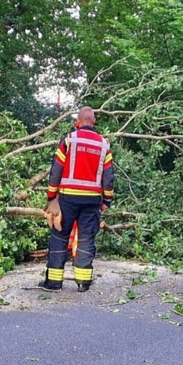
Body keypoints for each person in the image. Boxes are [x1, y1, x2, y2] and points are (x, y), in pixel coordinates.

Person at [39, 107, 114, 292]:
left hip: (68, 198)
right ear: (94, 122)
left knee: (60, 236)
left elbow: (56, 170)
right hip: (92, 200)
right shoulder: (104, 145)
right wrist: (107, 200)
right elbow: (108, 177)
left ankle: (54, 283)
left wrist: (51, 196)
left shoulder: (69, 140)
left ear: (77, 123)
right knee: (86, 238)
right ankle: (83, 282)